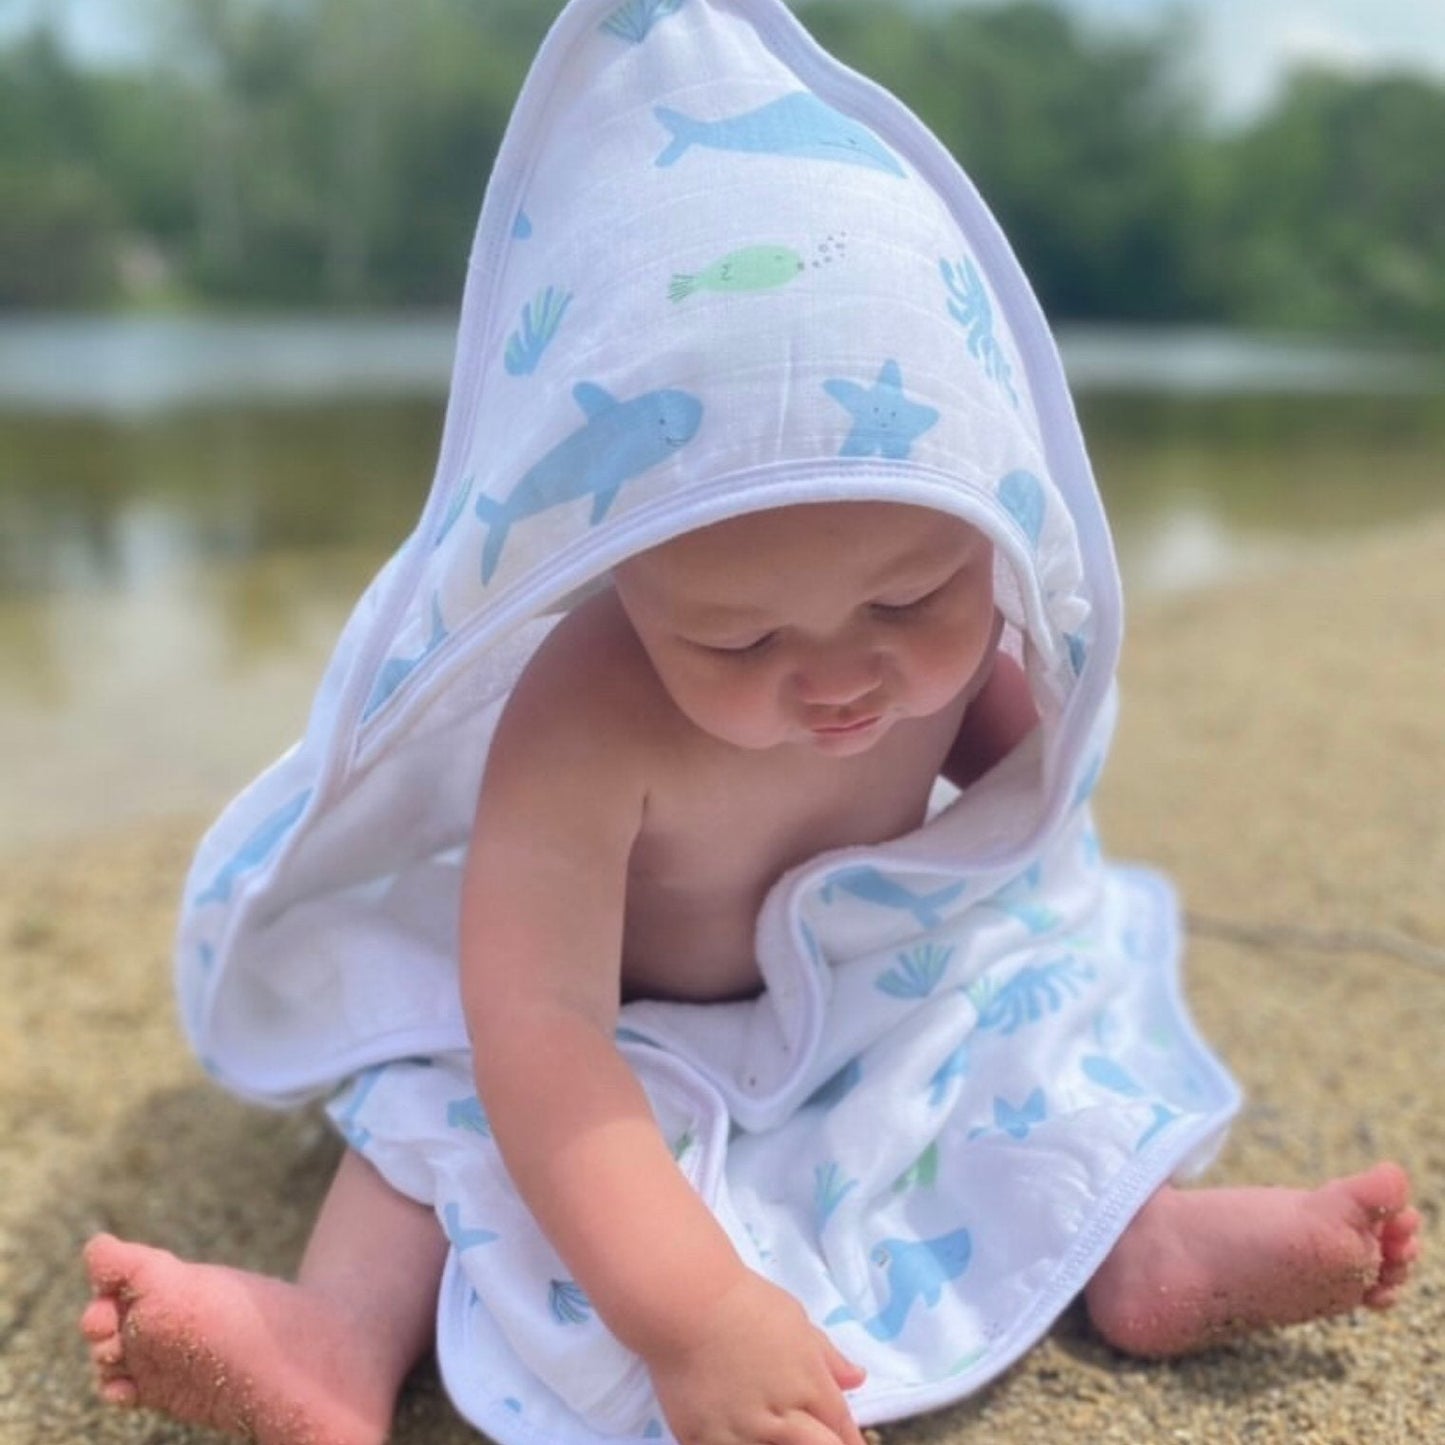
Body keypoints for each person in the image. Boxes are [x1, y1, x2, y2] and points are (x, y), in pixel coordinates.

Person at [79, 2, 1419, 1444]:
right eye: (738, 636)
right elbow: (539, 1032)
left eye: (910, 599)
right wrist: (693, 1315)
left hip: (843, 997)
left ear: (992, 528)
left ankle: (1132, 1235)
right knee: (432, 1118)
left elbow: (1024, 834)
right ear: (619, 567)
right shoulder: (584, 720)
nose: (839, 676)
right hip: (608, 1024)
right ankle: (339, 1337)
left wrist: (991, 946)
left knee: (1016, 1023)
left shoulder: (962, 636)